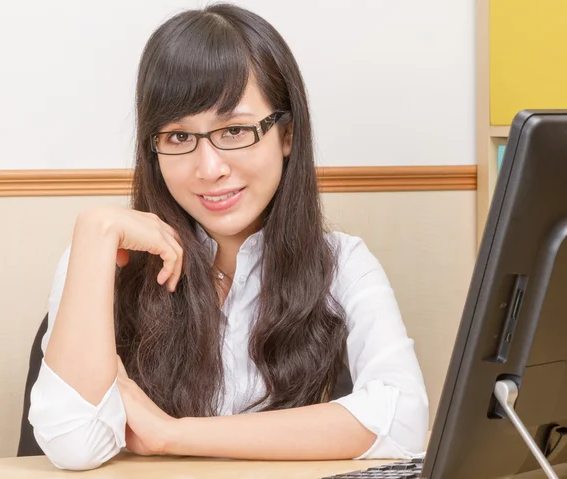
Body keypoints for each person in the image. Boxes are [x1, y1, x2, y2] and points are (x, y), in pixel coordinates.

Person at [28, 2, 429, 471]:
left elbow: (405, 421)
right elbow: (74, 446)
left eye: (234, 130)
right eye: (178, 137)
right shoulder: (104, 258)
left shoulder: (343, 263)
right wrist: (92, 232)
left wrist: (171, 434)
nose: (210, 169)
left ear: (287, 135)